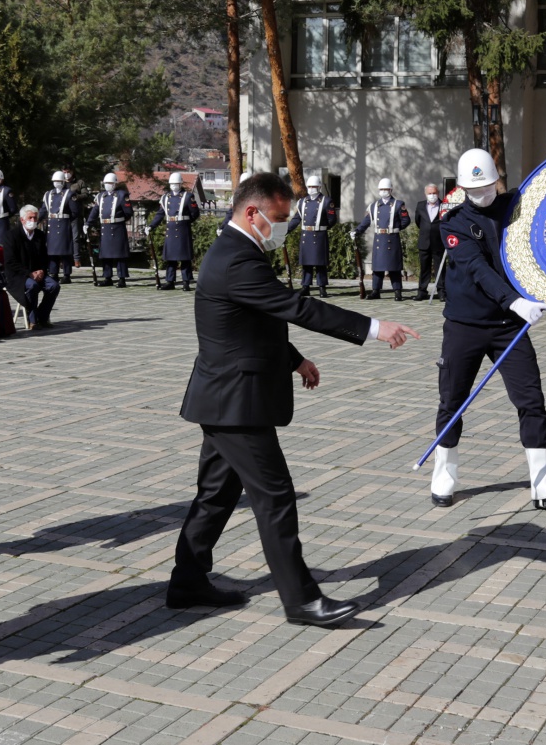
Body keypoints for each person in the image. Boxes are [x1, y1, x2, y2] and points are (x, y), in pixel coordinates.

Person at [170, 171, 419, 627]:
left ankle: (187, 581)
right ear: (252, 212)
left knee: (216, 494)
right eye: (280, 218)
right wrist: (373, 328)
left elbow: (255, 321)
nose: (284, 226)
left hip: (226, 396)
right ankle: (301, 600)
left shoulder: (239, 253)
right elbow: (296, 307)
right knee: (275, 496)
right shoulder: (237, 260)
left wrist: (295, 359)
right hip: (235, 403)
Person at [425, 149, 546, 512]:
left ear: (497, 181)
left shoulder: (515, 205)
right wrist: (514, 300)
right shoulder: (452, 222)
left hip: (509, 327)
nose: (483, 193)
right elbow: (477, 268)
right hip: (466, 324)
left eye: (488, 186)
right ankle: (445, 474)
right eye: (474, 189)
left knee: (531, 400)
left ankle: (542, 481)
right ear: (461, 188)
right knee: (452, 401)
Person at [4, 205, 61, 329]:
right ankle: (32, 319)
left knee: (53, 286)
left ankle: (42, 316)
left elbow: (45, 257)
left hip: (37, 273)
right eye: (30, 218)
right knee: (32, 286)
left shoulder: (40, 235)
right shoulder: (12, 235)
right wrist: (29, 273)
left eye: (35, 218)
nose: (33, 221)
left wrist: (41, 270)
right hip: (18, 275)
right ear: (22, 219)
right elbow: (10, 261)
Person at [355, 178, 411, 300]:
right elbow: (366, 221)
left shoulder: (398, 204)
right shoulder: (374, 206)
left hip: (392, 238)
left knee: (394, 267)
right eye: (381, 189)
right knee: (377, 267)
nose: (383, 191)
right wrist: (357, 231)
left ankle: (397, 291)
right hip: (379, 238)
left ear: (390, 190)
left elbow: (406, 220)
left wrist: (395, 228)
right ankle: (376, 291)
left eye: (385, 189)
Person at [287, 173, 337, 297]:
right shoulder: (302, 202)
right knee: (307, 263)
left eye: (314, 186)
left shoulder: (326, 201)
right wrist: (286, 230)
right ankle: (305, 286)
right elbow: (296, 219)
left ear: (319, 187)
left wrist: (322, 228)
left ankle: (322, 287)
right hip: (306, 235)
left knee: (320, 263)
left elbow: (332, 219)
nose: (311, 189)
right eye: (309, 186)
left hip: (319, 235)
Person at [149, 172, 201, 290]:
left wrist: (185, 222)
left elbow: (194, 213)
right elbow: (160, 214)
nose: (173, 186)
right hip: (171, 229)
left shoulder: (188, 196)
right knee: (171, 258)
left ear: (180, 184)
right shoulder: (165, 198)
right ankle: (170, 281)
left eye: (176, 184)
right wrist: (151, 226)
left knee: (185, 258)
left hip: (183, 229)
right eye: (172, 184)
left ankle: (186, 282)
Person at [87, 173, 131, 286]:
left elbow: (128, 213)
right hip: (105, 227)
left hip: (117, 227)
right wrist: (88, 223)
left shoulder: (122, 195)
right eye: (106, 183)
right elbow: (95, 211)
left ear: (115, 184)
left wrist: (119, 220)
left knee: (120, 254)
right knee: (105, 254)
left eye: (110, 183)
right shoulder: (101, 196)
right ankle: (107, 277)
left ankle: (122, 278)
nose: (108, 185)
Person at [413, 182, 447, 301]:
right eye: (430, 193)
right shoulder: (420, 205)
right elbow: (418, 221)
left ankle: (442, 292)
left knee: (441, 269)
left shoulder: (444, 205)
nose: (432, 195)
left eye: (434, 193)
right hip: (424, 242)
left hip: (439, 242)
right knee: (424, 268)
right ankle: (422, 291)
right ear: (425, 194)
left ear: (438, 193)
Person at [43, 171, 79, 281]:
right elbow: (43, 209)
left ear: (63, 182)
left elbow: (74, 212)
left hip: (63, 224)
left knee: (65, 251)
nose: (57, 183)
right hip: (52, 224)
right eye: (55, 181)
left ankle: (66, 274)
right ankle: (53, 272)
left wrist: (66, 220)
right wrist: (37, 220)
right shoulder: (48, 194)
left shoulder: (69, 194)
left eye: (59, 181)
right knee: (52, 251)